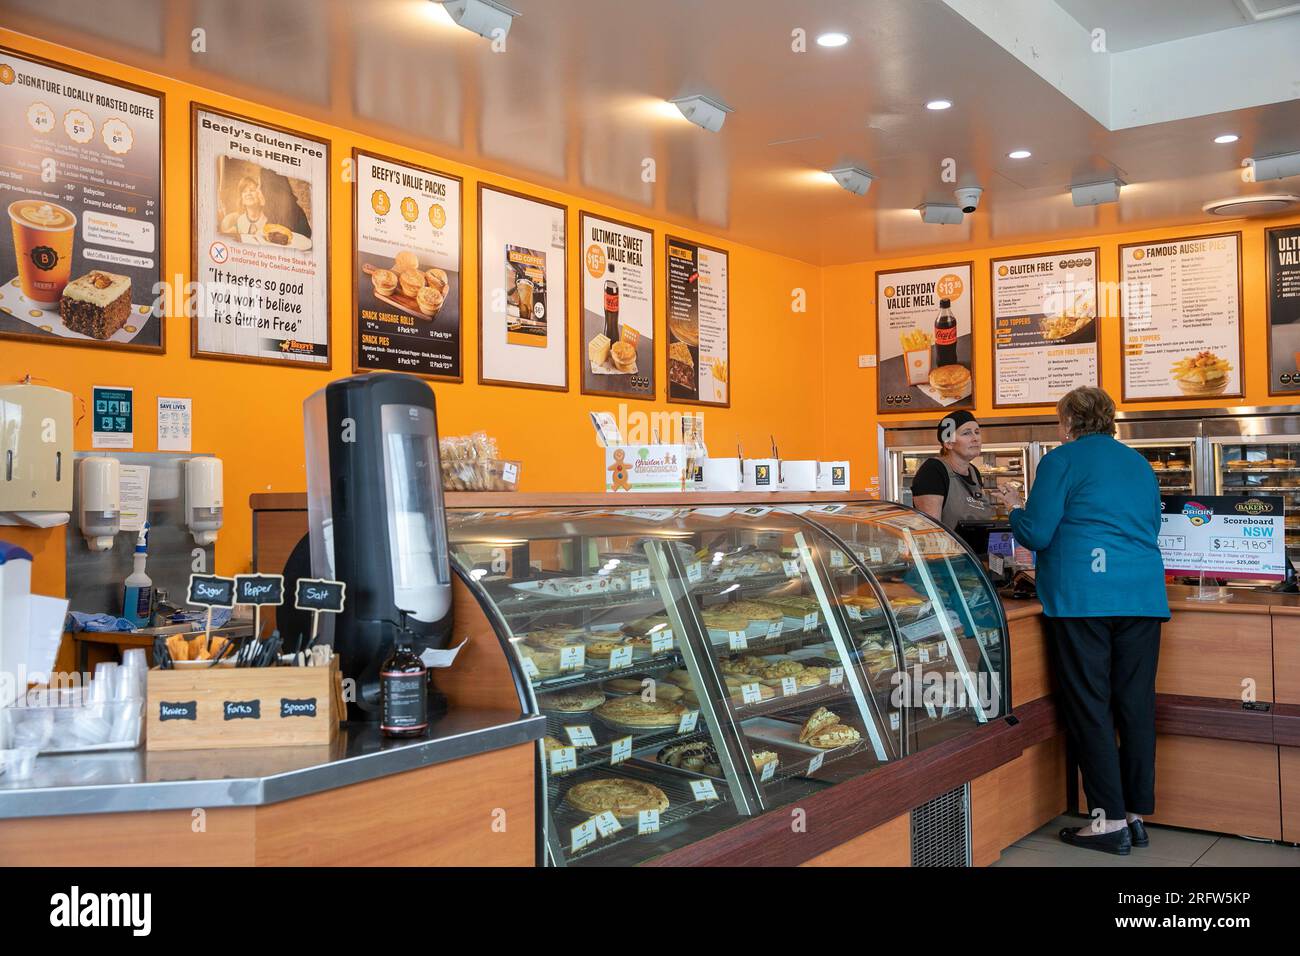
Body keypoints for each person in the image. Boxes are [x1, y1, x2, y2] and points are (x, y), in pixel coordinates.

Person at [1000, 386, 1169, 856]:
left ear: (1070, 422)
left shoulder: (1061, 460)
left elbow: (1037, 532)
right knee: (1135, 704)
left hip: (1084, 598)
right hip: (1142, 595)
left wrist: (1014, 506)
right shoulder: (1137, 463)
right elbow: (1151, 526)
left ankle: (1107, 821)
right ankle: (1133, 815)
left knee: (1091, 706)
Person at [909, 410, 993, 530]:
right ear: (948, 443)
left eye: (977, 432)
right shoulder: (933, 471)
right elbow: (932, 531)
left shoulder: (973, 471)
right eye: (966, 433)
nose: (975, 438)